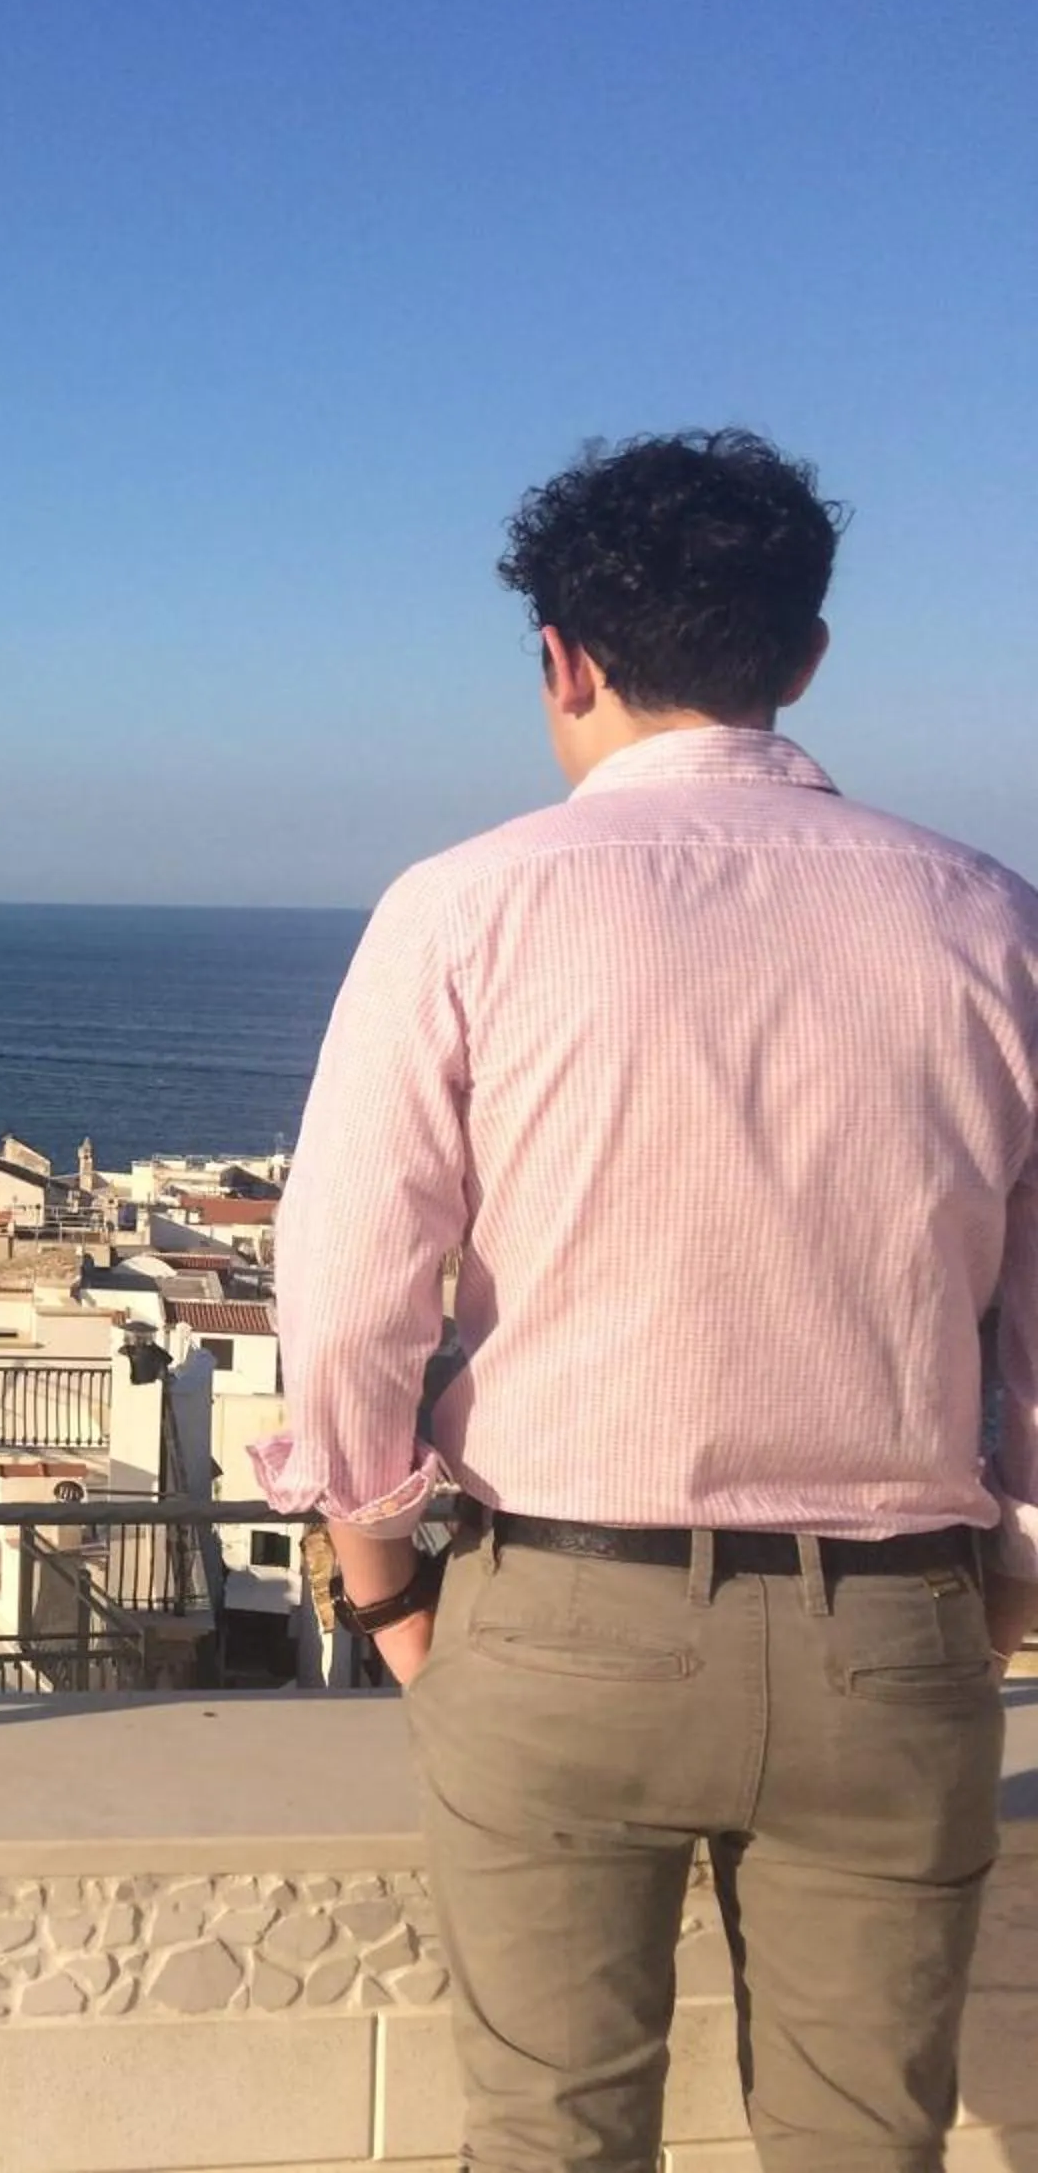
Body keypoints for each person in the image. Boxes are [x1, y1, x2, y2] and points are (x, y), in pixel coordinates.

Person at [258, 429, 1037, 2171]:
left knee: (551, 2138)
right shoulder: (997, 922)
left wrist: (383, 1585)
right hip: (892, 1628)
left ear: (565, 660)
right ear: (806, 656)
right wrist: (1003, 1590)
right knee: (867, 2146)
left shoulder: (463, 908)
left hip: (563, 1614)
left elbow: (349, 1291)